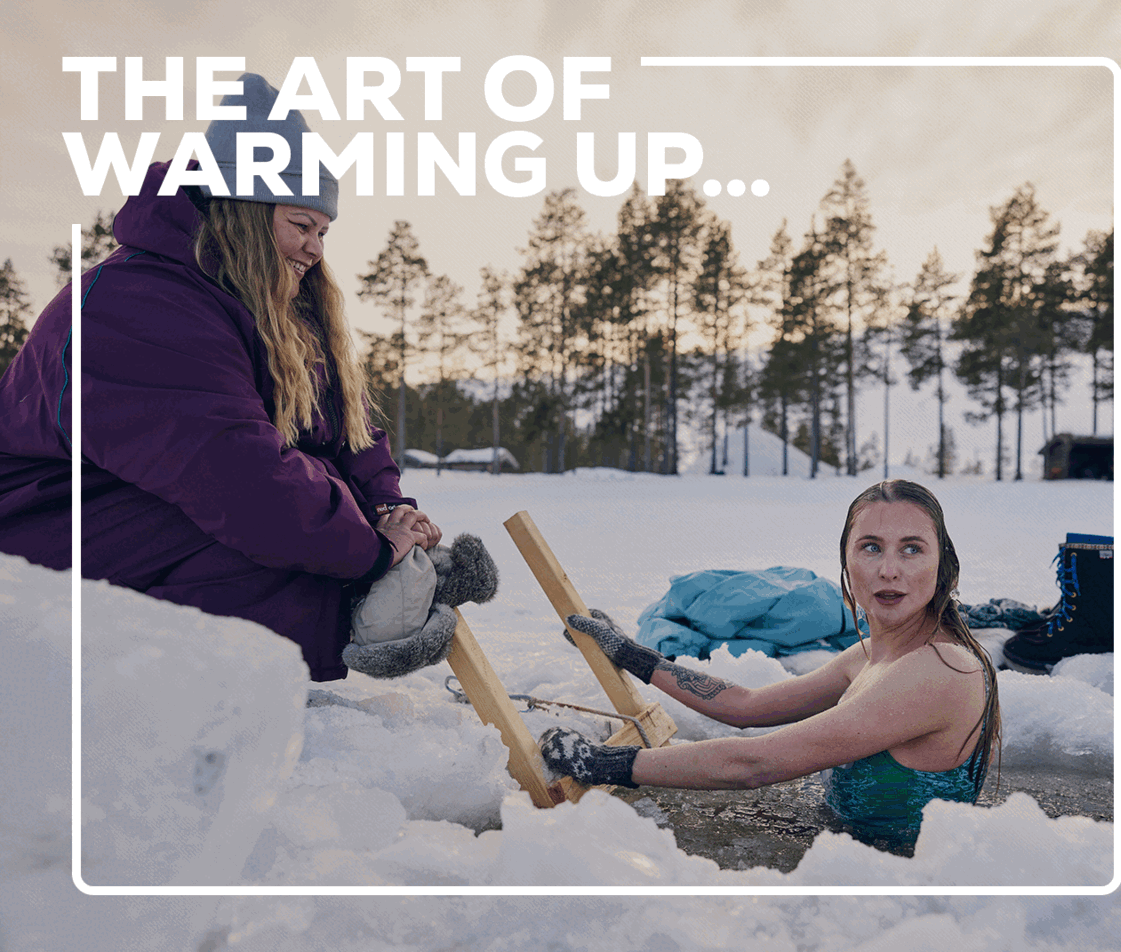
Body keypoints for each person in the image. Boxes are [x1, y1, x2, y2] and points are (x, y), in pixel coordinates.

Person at [0, 73, 476, 682]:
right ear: (244, 214)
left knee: (310, 502)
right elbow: (234, 474)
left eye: (323, 232)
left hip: (113, 520)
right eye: (301, 226)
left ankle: (362, 605)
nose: (315, 251)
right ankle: (345, 621)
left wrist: (391, 509)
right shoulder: (137, 303)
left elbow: (335, 430)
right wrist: (373, 556)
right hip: (41, 536)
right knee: (257, 530)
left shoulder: (259, 304)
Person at [539, 479, 1002, 849]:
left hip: (895, 895)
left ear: (946, 567)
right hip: (846, 855)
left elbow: (754, 764)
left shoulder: (941, 669)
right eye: (871, 547)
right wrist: (632, 654)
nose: (889, 570)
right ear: (846, 561)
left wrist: (604, 763)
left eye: (912, 548)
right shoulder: (868, 656)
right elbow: (745, 706)